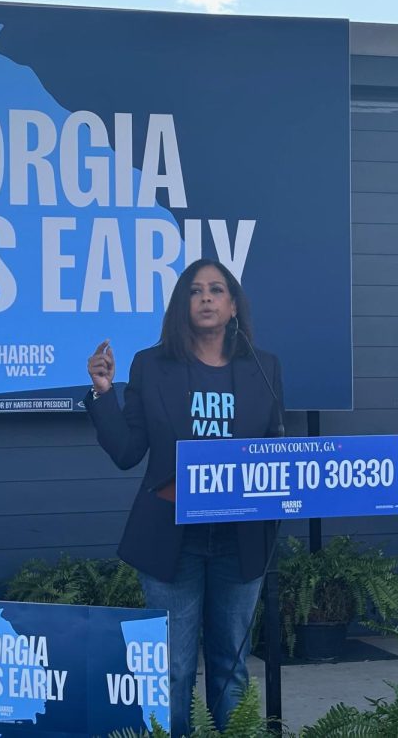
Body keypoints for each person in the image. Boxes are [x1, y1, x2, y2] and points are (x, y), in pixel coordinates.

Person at [85, 258, 284, 737]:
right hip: (171, 540)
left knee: (230, 666)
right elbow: (128, 452)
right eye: (195, 291)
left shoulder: (264, 367)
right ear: (182, 305)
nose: (207, 298)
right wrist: (103, 394)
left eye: (217, 290)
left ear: (233, 304)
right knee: (173, 670)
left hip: (241, 540)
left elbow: (278, 450)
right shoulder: (151, 366)